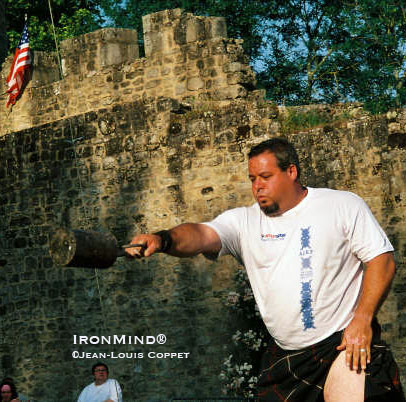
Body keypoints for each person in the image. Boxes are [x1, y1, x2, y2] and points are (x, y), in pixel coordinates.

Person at [125, 137, 405, 401]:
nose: (257, 186)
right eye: (252, 179)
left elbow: (382, 259)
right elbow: (200, 235)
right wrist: (163, 239)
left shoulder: (341, 205)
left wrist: (363, 319)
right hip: (287, 354)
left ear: (291, 171)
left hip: (343, 341)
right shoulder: (243, 222)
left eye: (266, 177)